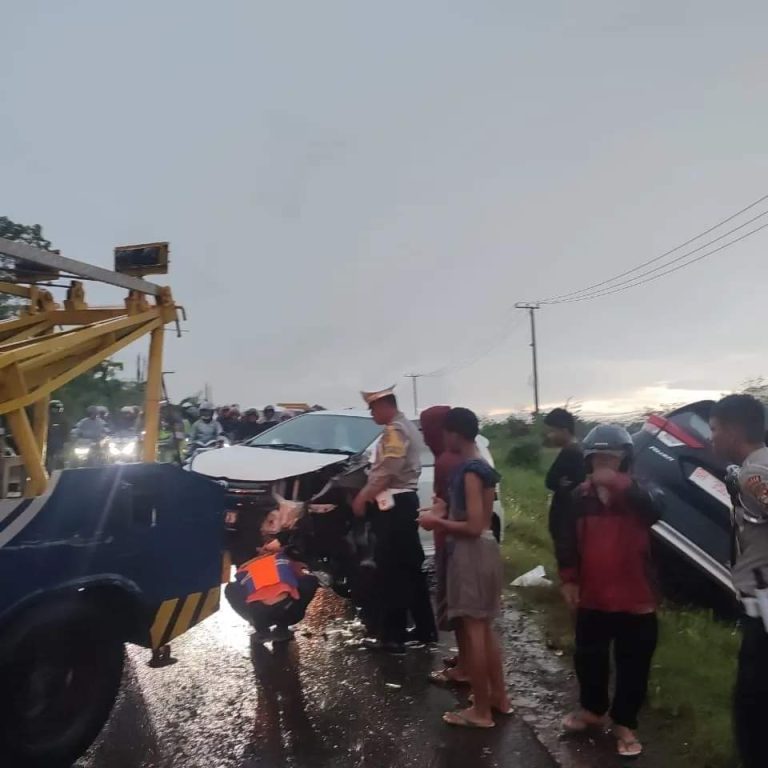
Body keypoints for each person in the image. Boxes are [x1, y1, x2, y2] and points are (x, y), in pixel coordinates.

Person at [555, 424, 659, 759]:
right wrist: (569, 579)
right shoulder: (579, 497)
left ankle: (625, 723)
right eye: (597, 458)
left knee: (633, 666)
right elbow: (567, 541)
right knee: (589, 659)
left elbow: (656, 509)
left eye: (610, 459)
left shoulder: (641, 491)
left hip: (637, 598)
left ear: (625, 461)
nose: (603, 465)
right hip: (593, 596)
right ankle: (592, 710)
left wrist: (618, 485)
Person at [418, 407, 509, 728]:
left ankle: (481, 711)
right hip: (486, 550)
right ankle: (499, 698)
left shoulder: (469, 470)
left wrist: (435, 520)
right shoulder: (481, 465)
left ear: (454, 434)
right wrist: (445, 509)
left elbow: (473, 525)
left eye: (444, 433)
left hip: (471, 553)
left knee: (474, 631)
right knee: (484, 629)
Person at [352, 385, 437, 653]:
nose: (371, 413)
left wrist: (364, 495)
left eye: (373, 408)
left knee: (391, 571)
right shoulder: (403, 426)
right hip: (403, 503)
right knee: (411, 569)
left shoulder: (394, 430)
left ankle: (393, 636)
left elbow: (388, 469)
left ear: (384, 405)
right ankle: (425, 629)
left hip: (394, 505)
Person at [710, 394, 768, 768]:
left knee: (754, 711)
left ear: (732, 431)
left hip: (763, 613)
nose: (710, 439)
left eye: (714, 430)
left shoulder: (754, 474)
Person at [420, 405, 467, 684]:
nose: (424, 437)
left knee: (458, 608)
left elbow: (448, 506)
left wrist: (432, 517)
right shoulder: (454, 458)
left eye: (427, 430)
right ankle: (465, 659)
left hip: (450, 541)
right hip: (451, 538)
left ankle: (466, 668)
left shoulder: (447, 461)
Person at [225, 508, 319, 643]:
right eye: (270, 521)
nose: (274, 526)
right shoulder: (277, 555)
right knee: (308, 581)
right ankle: (279, 625)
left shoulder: (248, 559)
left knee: (234, 590)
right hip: (282, 607)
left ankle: (264, 628)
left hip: (259, 610)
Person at [544, 408, 586, 544]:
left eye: (553, 431)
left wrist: (560, 485)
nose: (550, 435)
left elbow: (551, 481)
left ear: (565, 430)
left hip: (567, 527)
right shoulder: (573, 450)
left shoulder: (572, 454)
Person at [46, 399, 70, 471]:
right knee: (48, 461)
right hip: (48, 445)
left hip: (59, 445)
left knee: (61, 460)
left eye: (59, 408)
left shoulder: (63, 419)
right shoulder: (45, 419)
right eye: (56, 408)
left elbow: (66, 431)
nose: (58, 410)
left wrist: (67, 441)